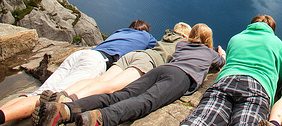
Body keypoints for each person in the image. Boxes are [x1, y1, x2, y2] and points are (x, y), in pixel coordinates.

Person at [37, 23, 226, 126]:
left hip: (160, 69)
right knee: (146, 101)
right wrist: (220, 53)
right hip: (180, 77)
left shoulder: (182, 44)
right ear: (208, 39)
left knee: (121, 94)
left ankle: (68, 109)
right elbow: (221, 63)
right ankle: (101, 118)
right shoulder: (209, 53)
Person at [0, 19, 156, 125]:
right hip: (97, 61)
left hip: (82, 54)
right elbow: (160, 48)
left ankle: (3, 111)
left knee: (39, 93)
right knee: (49, 99)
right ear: (144, 30)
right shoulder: (146, 36)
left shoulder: (120, 31)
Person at [180, 14, 282, 126]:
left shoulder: (236, 38)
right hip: (257, 86)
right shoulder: (277, 43)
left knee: (202, 119)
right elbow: (280, 74)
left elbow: (228, 61)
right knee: (247, 122)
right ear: (272, 29)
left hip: (226, 81)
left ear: (252, 24)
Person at [50, 22, 191, 102]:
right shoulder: (181, 43)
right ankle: (67, 102)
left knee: (100, 80)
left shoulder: (164, 37)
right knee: (111, 87)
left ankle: (63, 93)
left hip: (131, 56)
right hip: (145, 61)